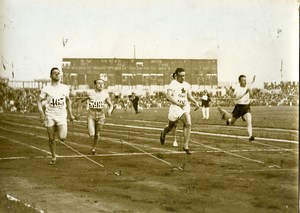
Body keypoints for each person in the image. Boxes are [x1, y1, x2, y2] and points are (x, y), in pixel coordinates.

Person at [37, 67, 75, 165]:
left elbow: (68, 100)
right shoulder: (46, 88)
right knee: (51, 138)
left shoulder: (65, 88)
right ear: (51, 76)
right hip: (50, 115)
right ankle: (53, 156)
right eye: (54, 73)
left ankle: (57, 128)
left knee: (62, 138)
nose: (57, 74)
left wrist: (70, 114)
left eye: (58, 73)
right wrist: (41, 112)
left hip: (61, 115)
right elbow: (39, 101)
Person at [160, 68, 200, 155]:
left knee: (188, 122)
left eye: (184, 76)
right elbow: (168, 97)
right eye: (181, 76)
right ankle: (163, 132)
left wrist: (195, 102)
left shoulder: (186, 85)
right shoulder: (173, 84)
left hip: (185, 107)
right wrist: (177, 103)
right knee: (171, 126)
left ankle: (186, 146)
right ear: (176, 76)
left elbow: (189, 95)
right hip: (175, 107)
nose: (183, 78)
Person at [77, 79, 113, 155]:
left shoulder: (105, 94)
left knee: (97, 134)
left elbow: (111, 105)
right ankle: (89, 125)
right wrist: (78, 112)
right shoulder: (90, 93)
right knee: (92, 134)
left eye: (102, 83)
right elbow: (80, 101)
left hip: (101, 115)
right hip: (91, 114)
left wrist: (109, 110)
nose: (101, 85)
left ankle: (93, 149)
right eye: (99, 83)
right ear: (95, 85)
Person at [226, 75, 255, 141]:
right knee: (232, 122)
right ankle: (228, 120)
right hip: (238, 107)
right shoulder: (237, 88)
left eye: (245, 80)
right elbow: (238, 97)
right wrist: (246, 92)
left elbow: (252, 94)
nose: (245, 81)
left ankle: (250, 136)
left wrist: (250, 91)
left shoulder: (247, 86)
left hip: (246, 107)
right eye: (243, 80)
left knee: (249, 122)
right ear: (240, 81)